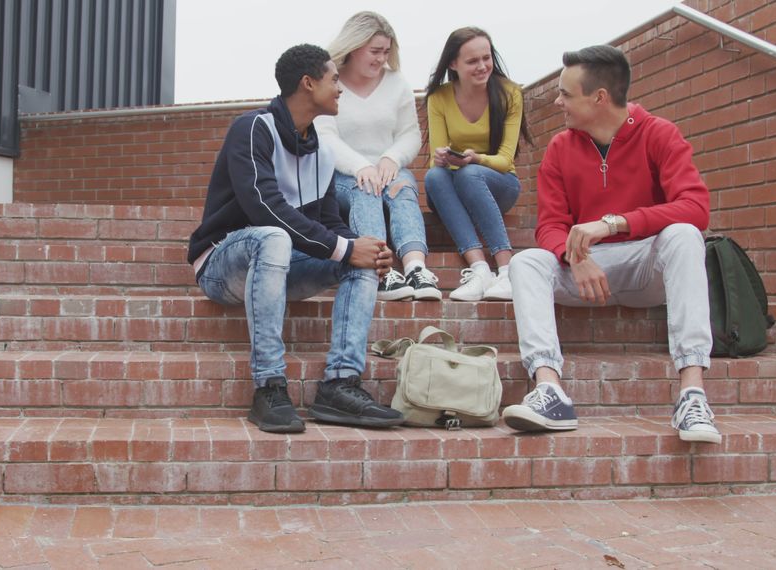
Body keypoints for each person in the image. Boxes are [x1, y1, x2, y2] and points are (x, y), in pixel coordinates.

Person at [502, 45, 720, 444]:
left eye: (566, 94)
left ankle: (692, 393)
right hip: (584, 273)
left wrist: (614, 223)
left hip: (645, 265)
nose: (557, 101)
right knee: (527, 262)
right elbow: (550, 226)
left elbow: (695, 207)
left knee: (685, 234)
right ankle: (549, 389)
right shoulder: (559, 149)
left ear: (599, 97)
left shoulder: (659, 134)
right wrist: (576, 255)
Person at [186, 44, 405, 433]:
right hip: (224, 263)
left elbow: (326, 221)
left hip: (280, 267)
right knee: (273, 236)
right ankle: (269, 388)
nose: (341, 88)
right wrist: (343, 248)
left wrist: (361, 247)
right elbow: (264, 208)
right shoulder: (253, 128)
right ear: (308, 83)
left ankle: (340, 384)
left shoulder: (320, 150)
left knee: (362, 259)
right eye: (334, 79)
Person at [314, 12, 439, 302]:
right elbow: (326, 137)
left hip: (388, 169)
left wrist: (391, 159)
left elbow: (410, 134)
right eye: (375, 51)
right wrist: (362, 166)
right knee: (366, 188)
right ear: (354, 47)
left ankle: (416, 268)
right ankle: (382, 270)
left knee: (404, 189)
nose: (381, 58)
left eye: (386, 51)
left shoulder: (397, 83)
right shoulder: (332, 82)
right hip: (346, 174)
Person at [423, 27, 532, 302]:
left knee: (470, 173)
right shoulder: (438, 97)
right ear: (453, 64)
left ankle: (506, 270)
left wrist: (477, 158)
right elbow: (434, 159)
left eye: (487, 57)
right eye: (472, 61)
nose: (482, 66)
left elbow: (506, 159)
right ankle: (480, 269)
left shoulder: (510, 93)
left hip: (499, 183)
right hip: (457, 185)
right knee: (434, 177)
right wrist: (441, 158)